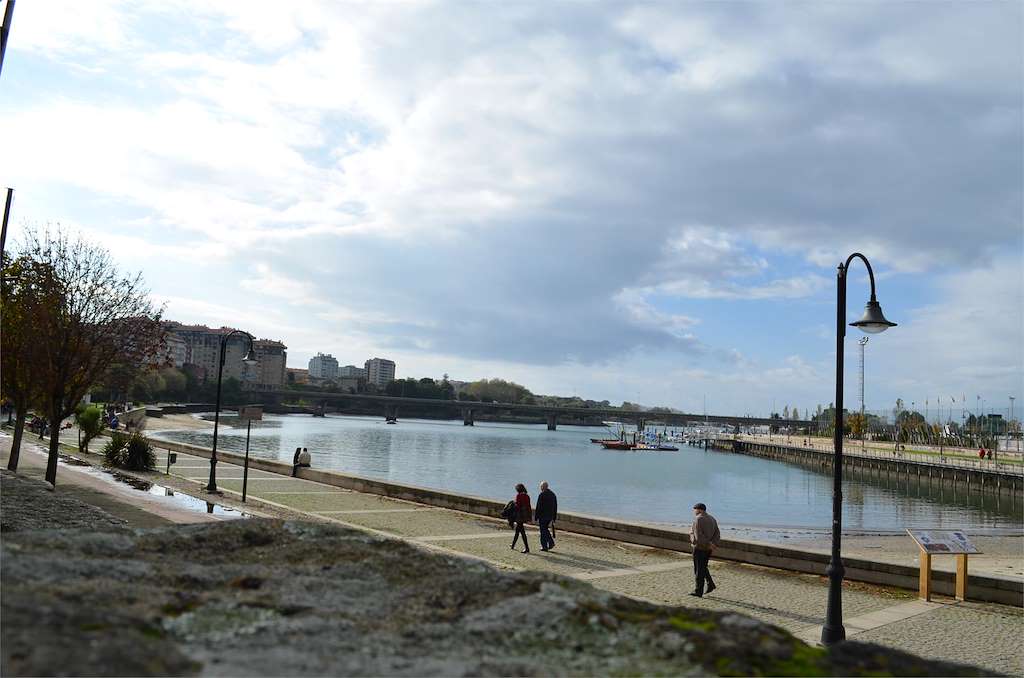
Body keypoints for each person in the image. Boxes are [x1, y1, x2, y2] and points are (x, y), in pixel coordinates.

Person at [689, 502, 721, 597]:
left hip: (699, 548)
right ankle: (710, 584)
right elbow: (717, 534)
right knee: (703, 567)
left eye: (695, 510)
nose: (694, 512)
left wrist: (708, 543)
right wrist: (713, 544)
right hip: (708, 549)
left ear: (699, 509)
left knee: (698, 569)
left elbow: (698, 536)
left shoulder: (698, 519)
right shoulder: (712, 519)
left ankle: (698, 591)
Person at [535, 481, 558, 551]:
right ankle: (549, 544)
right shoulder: (553, 494)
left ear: (543, 487)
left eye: (541, 486)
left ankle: (546, 545)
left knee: (543, 530)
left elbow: (538, 506)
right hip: (550, 516)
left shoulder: (542, 495)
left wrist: (536, 516)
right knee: (545, 529)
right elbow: (555, 507)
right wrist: (554, 517)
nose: (540, 488)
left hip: (543, 516)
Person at [509, 483, 532, 554]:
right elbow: (529, 506)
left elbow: (517, 506)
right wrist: (529, 517)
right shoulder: (527, 496)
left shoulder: (518, 496)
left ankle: (527, 548)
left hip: (519, 516)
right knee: (518, 530)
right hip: (524, 516)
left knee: (521, 532)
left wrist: (514, 503)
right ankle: (513, 545)